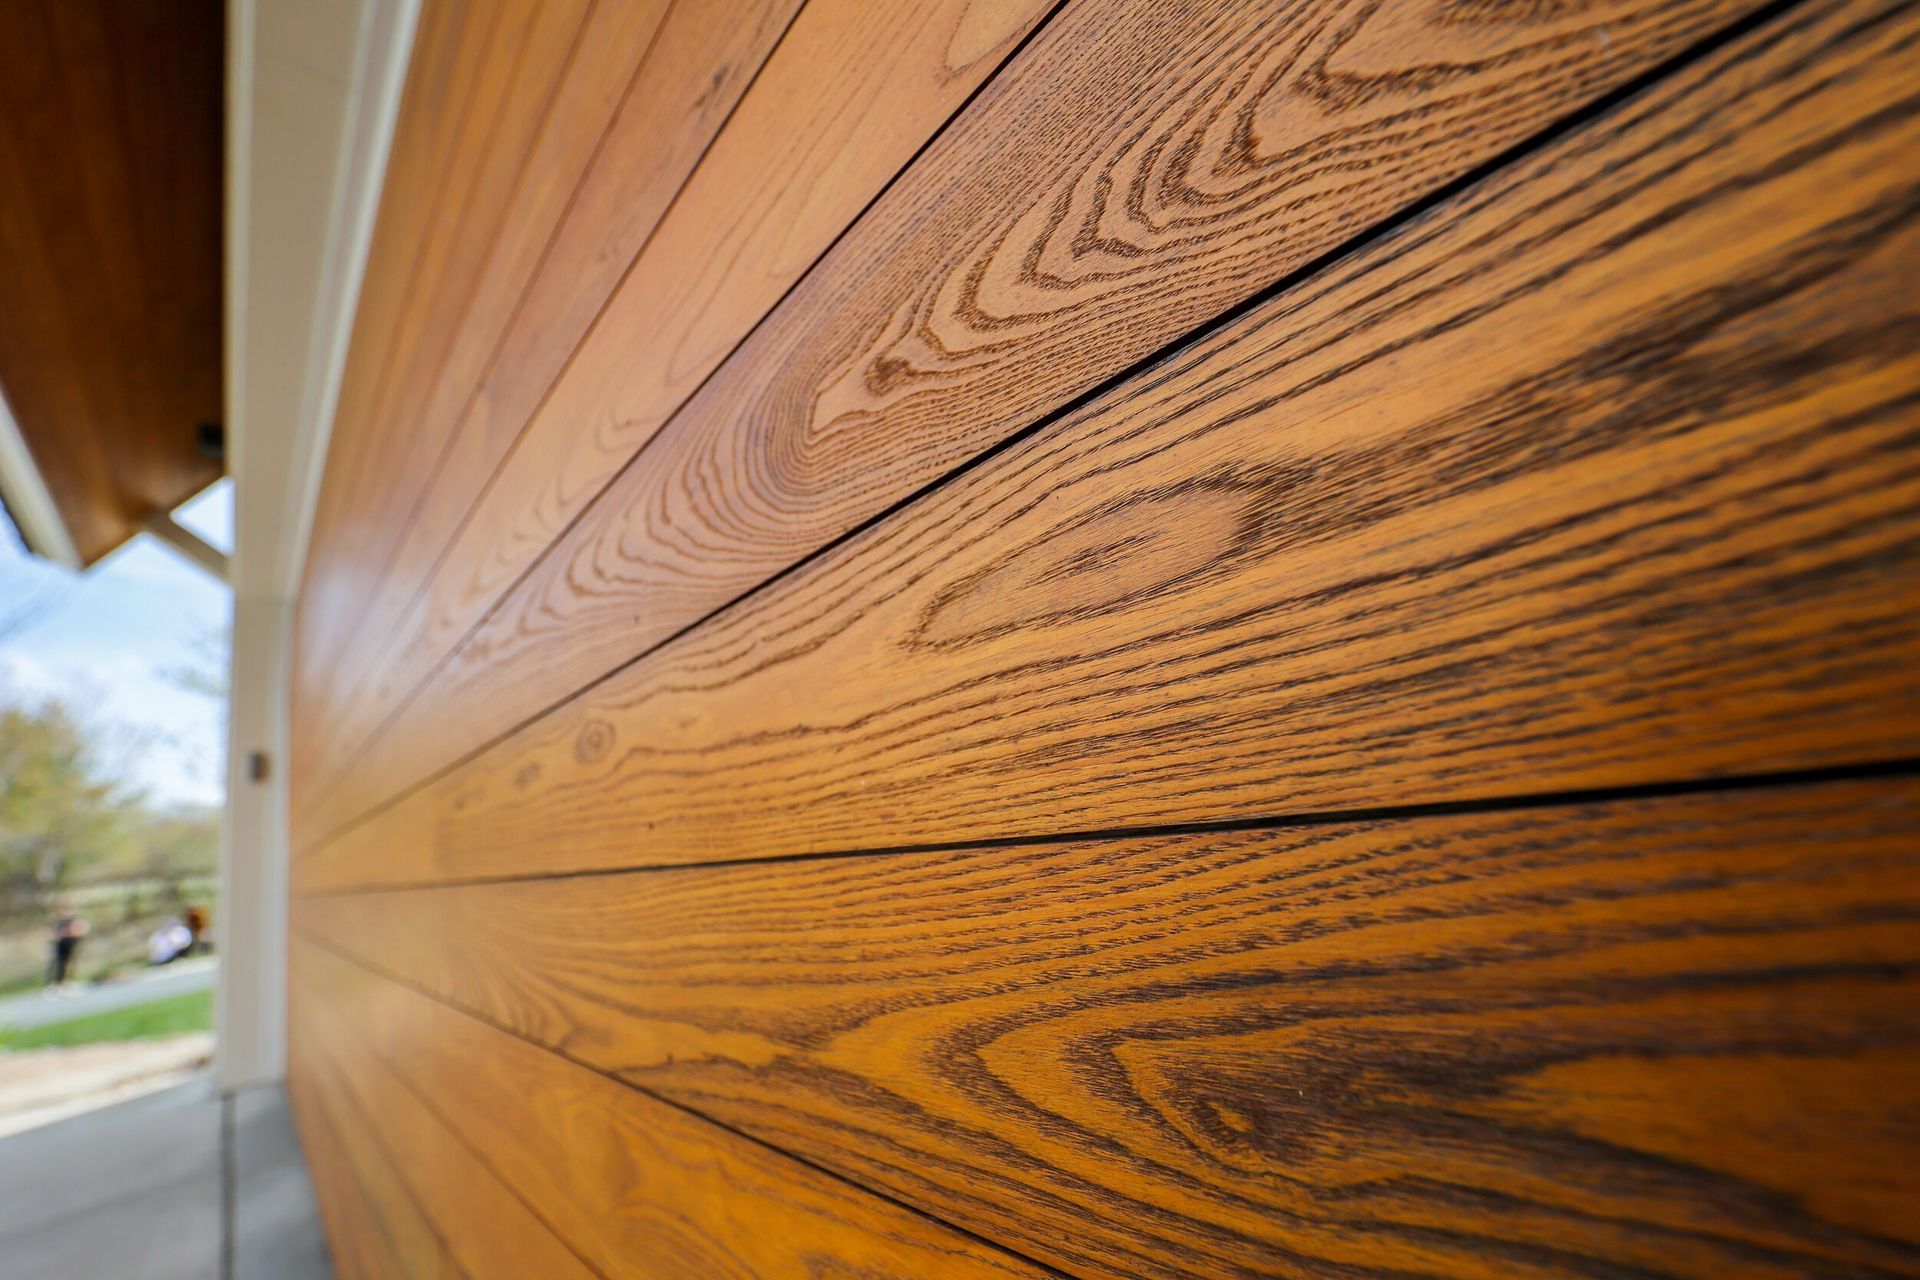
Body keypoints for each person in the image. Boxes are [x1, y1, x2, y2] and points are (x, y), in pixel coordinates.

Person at [46, 906, 89, 993]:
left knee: (70, 963)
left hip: (71, 943)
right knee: (60, 964)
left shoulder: (73, 920)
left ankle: (68, 982)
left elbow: (79, 930)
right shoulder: (59, 922)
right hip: (61, 944)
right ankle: (57, 984)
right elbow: (54, 934)